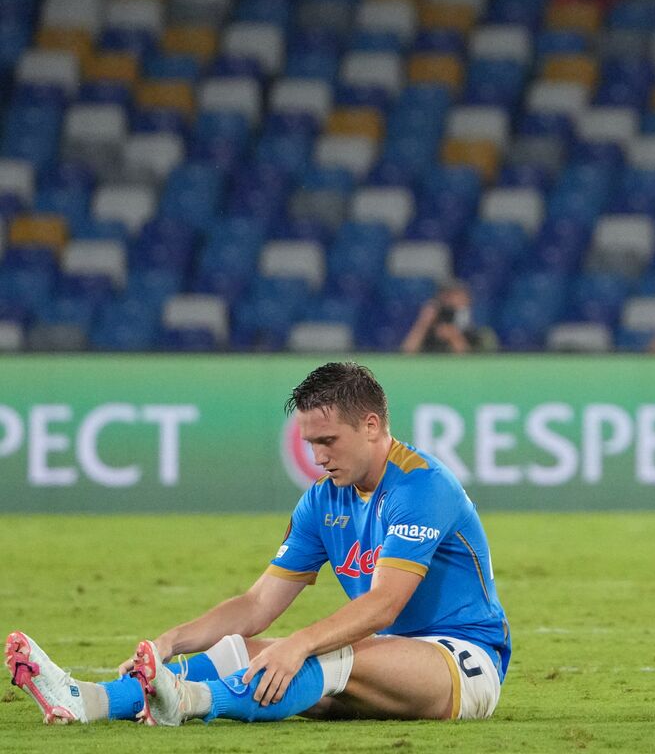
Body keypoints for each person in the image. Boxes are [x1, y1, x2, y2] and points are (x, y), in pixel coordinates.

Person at [6, 361, 511, 726]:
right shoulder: (322, 500)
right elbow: (256, 605)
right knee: (244, 650)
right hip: (385, 656)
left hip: (460, 660)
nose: (316, 456)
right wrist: (169, 643)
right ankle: (84, 699)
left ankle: (189, 701)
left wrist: (299, 643)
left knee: (319, 655)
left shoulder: (422, 486)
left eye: (327, 441)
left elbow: (384, 604)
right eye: (310, 442)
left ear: (372, 425)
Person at [401, 283, 500, 354]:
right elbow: (406, 355)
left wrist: (455, 339)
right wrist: (423, 323)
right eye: (447, 303)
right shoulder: (429, 336)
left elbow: (477, 369)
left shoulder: (483, 335)